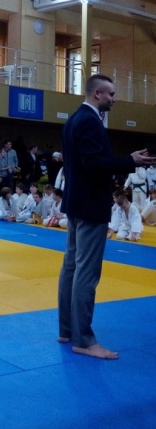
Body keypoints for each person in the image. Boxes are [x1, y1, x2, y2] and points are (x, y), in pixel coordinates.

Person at [58, 73, 155, 360]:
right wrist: (129, 161)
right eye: (111, 94)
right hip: (90, 205)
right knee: (86, 272)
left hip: (76, 203)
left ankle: (67, 329)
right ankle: (84, 340)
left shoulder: (74, 119)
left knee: (71, 267)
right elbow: (94, 165)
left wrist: (126, 159)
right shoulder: (89, 121)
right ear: (97, 93)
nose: (114, 99)